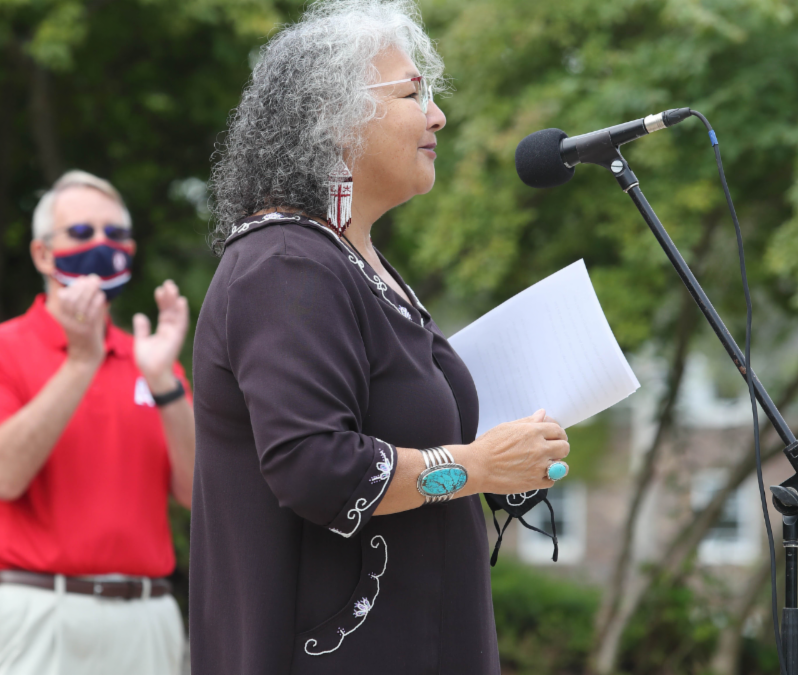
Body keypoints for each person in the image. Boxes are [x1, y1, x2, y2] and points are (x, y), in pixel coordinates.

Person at [189, 1, 571, 673]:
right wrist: (475, 465)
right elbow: (317, 466)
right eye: (412, 92)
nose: (437, 116)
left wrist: (510, 462)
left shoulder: (359, 265)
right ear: (335, 119)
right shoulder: (285, 265)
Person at [0, 170, 194, 675]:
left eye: (116, 234)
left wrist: (165, 385)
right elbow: (0, 475)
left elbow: (201, 493)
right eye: (82, 234)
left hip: (144, 618)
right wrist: (81, 363)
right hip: (36, 616)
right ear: (42, 254)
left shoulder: (153, 359)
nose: (103, 246)